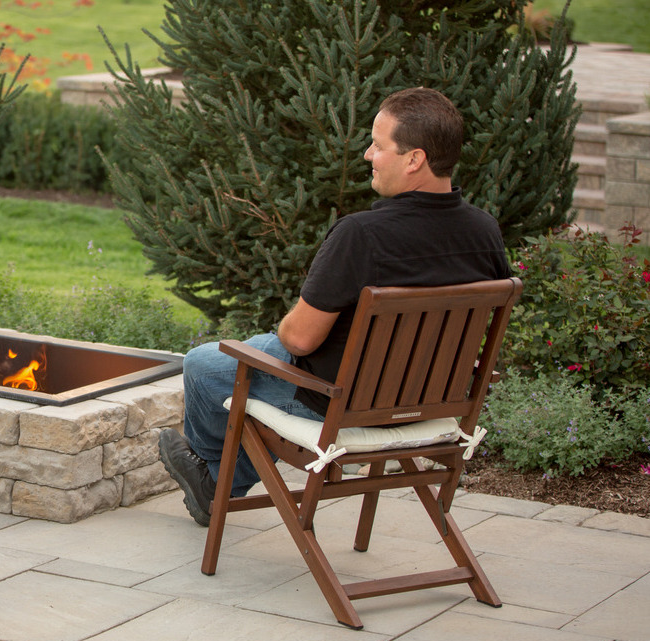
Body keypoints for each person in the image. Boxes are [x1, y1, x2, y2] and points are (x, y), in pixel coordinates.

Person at [159, 87, 511, 526]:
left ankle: (215, 484)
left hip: (342, 404)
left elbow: (300, 337)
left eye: (378, 146)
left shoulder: (361, 235)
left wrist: (287, 328)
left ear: (414, 159)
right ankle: (215, 481)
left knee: (205, 365)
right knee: (258, 349)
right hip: (434, 404)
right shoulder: (484, 231)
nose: (368, 155)